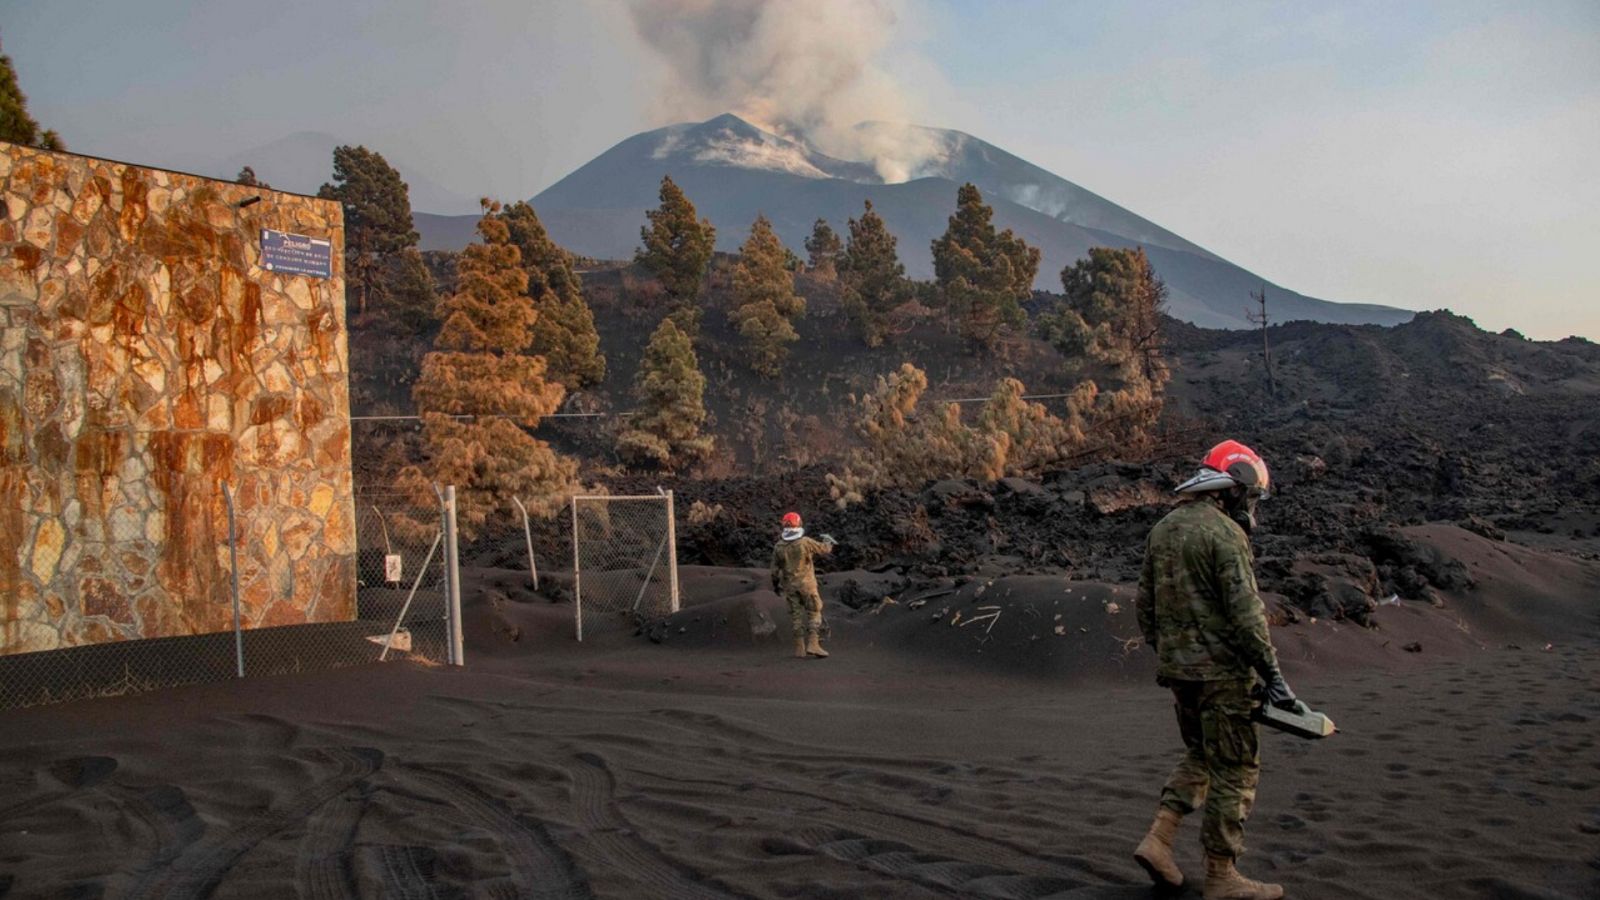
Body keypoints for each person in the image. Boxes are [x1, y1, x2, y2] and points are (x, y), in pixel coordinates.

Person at [1133, 440, 1298, 900]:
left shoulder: (1163, 529)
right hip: (1223, 675)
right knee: (1236, 767)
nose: (1252, 506)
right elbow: (1247, 614)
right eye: (1251, 496)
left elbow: (1144, 606)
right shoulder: (1226, 535)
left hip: (1179, 671)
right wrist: (1274, 675)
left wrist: (1170, 655)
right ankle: (1222, 876)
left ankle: (1159, 840)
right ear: (1235, 486)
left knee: (1202, 754)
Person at [770, 511, 836, 659]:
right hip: (807, 585)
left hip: (790, 587)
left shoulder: (778, 547)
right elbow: (824, 549)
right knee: (814, 611)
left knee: (796, 616)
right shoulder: (804, 542)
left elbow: (774, 571)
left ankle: (799, 649)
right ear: (798, 524)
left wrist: (776, 585)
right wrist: (829, 542)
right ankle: (813, 643)